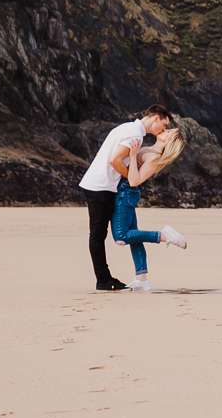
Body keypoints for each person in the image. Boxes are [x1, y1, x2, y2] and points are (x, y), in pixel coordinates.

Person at [78, 106, 173, 290]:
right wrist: (130, 176)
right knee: (101, 236)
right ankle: (103, 280)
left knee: (105, 235)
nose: (163, 129)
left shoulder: (128, 128)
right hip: (101, 186)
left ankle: (120, 278)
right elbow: (115, 161)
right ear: (155, 117)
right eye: (164, 124)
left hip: (100, 184)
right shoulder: (134, 134)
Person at [112, 127, 190, 292]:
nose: (165, 131)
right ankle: (142, 279)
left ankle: (163, 235)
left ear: (170, 142)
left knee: (121, 236)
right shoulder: (148, 149)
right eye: (168, 129)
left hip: (126, 192)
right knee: (134, 236)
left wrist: (133, 156)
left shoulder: (155, 158)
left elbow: (134, 181)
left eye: (170, 133)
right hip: (125, 192)